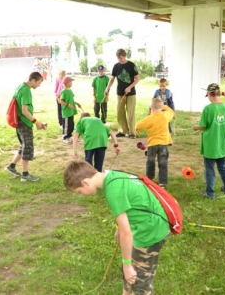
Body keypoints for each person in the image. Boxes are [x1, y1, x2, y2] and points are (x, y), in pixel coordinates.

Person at [63, 161, 169, 294]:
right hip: (150, 223)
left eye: (79, 192)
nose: (81, 195)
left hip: (149, 231)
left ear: (85, 182)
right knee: (130, 275)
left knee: (140, 283)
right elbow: (130, 204)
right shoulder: (112, 175)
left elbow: (127, 234)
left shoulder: (113, 191)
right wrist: (119, 228)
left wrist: (126, 264)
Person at [193, 83, 225, 199]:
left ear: (209, 94)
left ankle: (210, 193)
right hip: (222, 144)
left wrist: (196, 127)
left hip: (211, 144)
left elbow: (202, 126)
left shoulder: (208, 108)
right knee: (223, 167)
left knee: (209, 169)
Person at [4, 72, 47, 182]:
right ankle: (25, 174)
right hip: (24, 122)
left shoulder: (20, 86)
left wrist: (37, 122)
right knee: (27, 146)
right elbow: (24, 111)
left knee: (24, 145)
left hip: (19, 122)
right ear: (32, 80)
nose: (39, 85)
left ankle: (11, 166)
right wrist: (36, 121)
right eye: (38, 83)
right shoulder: (26, 90)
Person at [135, 98, 174, 188]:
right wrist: (164, 106)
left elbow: (138, 125)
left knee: (150, 161)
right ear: (161, 107)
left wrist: (137, 130)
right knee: (163, 162)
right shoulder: (165, 115)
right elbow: (171, 111)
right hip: (163, 143)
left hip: (153, 143)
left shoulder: (150, 118)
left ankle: (149, 179)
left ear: (151, 107)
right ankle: (162, 183)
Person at [105, 48, 140, 139]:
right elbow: (112, 79)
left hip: (131, 93)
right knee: (120, 112)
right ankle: (123, 131)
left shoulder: (131, 65)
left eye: (121, 58)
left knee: (130, 113)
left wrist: (129, 87)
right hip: (120, 93)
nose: (119, 60)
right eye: (118, 58)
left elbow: (137, 78)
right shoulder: (116, 66)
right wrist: (107, 88)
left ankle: (132, 132)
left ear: (124, 56)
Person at [60, 76, 81, 143]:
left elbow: (71, 100)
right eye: (70, 82)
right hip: (66, 112)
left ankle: (69, 136)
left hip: (71, 111)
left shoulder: (70, 90)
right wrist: (68, 105)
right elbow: (61, 101)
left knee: (71, 125)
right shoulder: (64, 91)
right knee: (66, 125)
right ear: (66, 83)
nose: (72, 83)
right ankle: (65, 137)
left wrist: (77, 103)